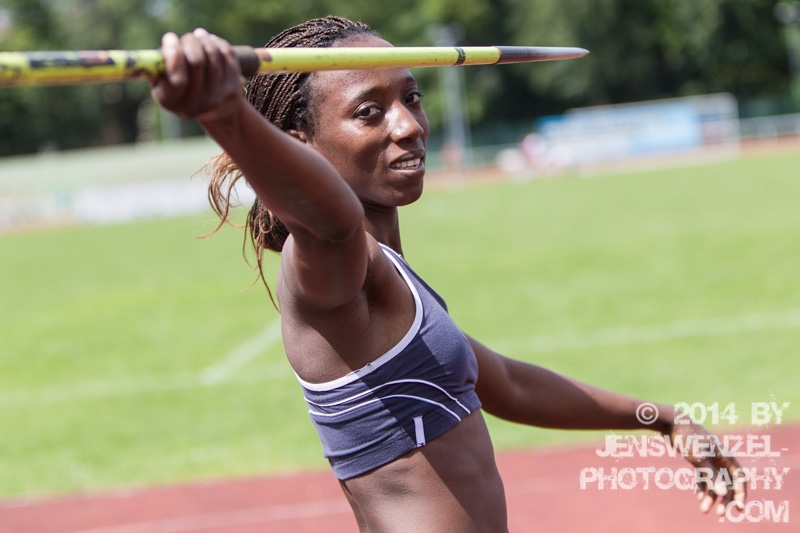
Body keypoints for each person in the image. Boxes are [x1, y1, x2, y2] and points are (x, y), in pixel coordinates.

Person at [150, 16, 747, 532]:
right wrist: (224, 113)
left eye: (411, 97)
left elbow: (506, 383)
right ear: (301, 141)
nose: (408, 125)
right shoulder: (331, 267)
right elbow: (327, 221)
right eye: (369, 112)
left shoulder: (391, 275)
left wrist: (662, 418)